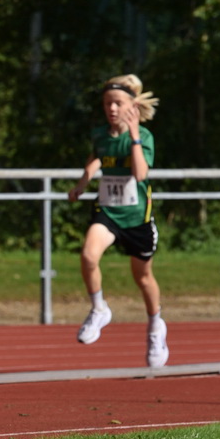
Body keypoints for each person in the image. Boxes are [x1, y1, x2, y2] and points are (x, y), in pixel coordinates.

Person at [68, 74, 168, 368]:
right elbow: (97, 158)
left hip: (137, 219)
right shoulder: (100, 135)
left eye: (118, 103)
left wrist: (135, 134)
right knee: (88, 255)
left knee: (143, 278)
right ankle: (99, 308)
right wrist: (81, 184)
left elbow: (139, 173)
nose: (111, 109)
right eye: (107, 104)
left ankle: (155, 327)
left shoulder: (143, 137)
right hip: (108, 212)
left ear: (132, 106)